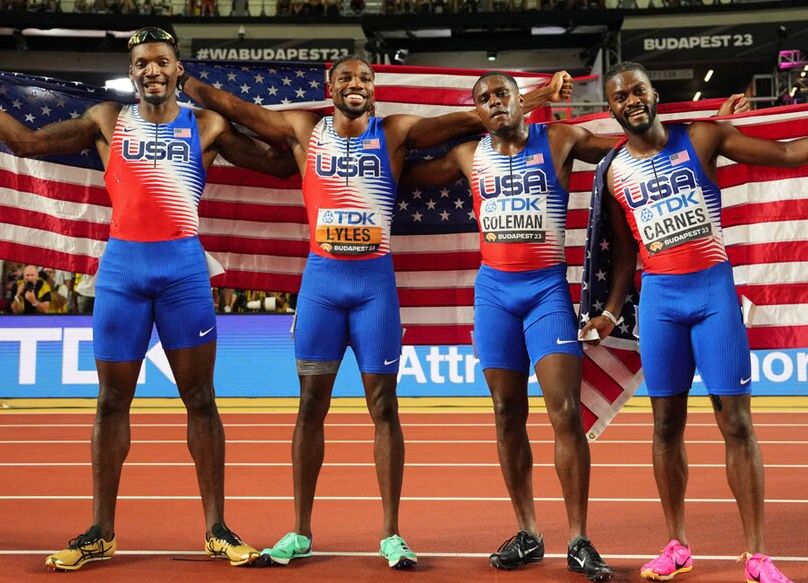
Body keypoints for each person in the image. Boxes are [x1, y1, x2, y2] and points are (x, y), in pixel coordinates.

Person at [181, 57, 570, 569]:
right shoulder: (304, 128)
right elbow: (239, 109)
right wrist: (183, 82)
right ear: (331, 87)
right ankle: (299, 531)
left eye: (364, 79)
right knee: (309, 407)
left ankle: (391, 534)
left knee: (385, 408)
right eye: (346, 78)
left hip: (374, 289)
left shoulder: (395, 133)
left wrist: (534, 100)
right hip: (322, 285)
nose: (355, 85)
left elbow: (468, 119)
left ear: (374, 88)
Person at [0, 26, 298, 572]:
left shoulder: (208, 124)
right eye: (142, 63)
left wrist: (223, 100)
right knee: (110, 403)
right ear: (132, 74)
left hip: (183, 275)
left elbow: (282, 163)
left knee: (200, 399)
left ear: (178, 70)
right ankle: (101, 531)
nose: (152, 70)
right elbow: (24, 143)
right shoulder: (109, 119)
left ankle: (218, 529)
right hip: (123, 274)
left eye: (162, 62)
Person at [401, 72, 748, 582]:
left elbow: (635, 138)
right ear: (475, 109)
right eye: (484, 99)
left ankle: (579, 538)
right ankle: (528, 532)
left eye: (503, 94)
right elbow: (403, 162)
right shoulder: (467, 155)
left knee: (564, 412)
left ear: (523, 100)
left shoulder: (560, 140)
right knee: (505, 412)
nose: (495, 103)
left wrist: (715, 118)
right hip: (494, 294)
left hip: (545, 292)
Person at [578, 61, 808, 583]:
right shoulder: (612, 172)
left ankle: (757, 555)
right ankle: (676, 545)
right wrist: (612, 311)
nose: (630, 101)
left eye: (638, 91)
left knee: (736, 424)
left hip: (712, 298)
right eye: (619, 97)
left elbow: (790, 155)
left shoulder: (702, 139)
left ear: (655, 94)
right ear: (611, 108)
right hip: (660, 303)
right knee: (664, 427)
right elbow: (625, 256)